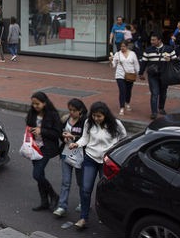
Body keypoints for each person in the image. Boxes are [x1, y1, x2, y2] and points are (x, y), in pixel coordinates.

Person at [68, 102, 126, 230]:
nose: (96, 119)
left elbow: (123, 138)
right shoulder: (89, 122)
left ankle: (105, 215)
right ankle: (83, 217)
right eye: (94, 116)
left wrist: (114, 151)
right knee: (85, 189)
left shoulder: (116, 124)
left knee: (105, 190)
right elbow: (85, 138)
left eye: (99, 116)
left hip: (106, 161)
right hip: (90, 158)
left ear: (105, 115)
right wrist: (76, 144)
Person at [26, 91, 62, 212]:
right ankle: (44, 202)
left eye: (37, 104)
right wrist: (30, 130)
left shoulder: (52, 115)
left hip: (46, 148)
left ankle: (54, 195)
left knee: (37, 174)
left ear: (44, 103)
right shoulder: (32, 113)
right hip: (34, 147)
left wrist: (42, 131)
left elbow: (57, 133)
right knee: (40, 175)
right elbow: (28, 125)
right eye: (33, 104)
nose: (35, 106)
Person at [53, 98, 87, 218]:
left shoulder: (85, 122)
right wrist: (63, 137)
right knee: (65, 182)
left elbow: (86, 138)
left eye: (74, 110)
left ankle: (84, 203)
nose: (71, 113)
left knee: (81, 182)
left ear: (80, 111)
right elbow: (59, 133)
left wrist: (73, 137)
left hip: (79, 155)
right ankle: (62, 206)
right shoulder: (66, 119)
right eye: (70, 110)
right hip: (66, 153)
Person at [139, 32, 177, 119]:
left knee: (163, 93)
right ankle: (154, 112)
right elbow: (144, 62)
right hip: (153, 76)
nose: (151, 41)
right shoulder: (148, 50)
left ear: (159, 40)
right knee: (154, 93)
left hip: (165, 75)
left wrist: (169, 59)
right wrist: (141, 73)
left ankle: (161, 108)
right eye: (151, 40)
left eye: (153, 40)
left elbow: (176, 62)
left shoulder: (169, 49)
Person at [110, 40, 140, 116]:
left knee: (128, 91)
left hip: (130, 74)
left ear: (127, 46)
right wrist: (111, 60)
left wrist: (139, 72)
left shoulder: (132, 54)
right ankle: (122, 107)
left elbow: (136, 64)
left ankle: (127, 102)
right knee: (122, 90)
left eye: (124, 46)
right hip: (120, 75)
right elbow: (113, 65)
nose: (122, 48)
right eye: (121, 46)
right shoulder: (117, 54)